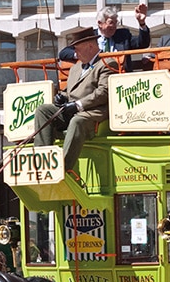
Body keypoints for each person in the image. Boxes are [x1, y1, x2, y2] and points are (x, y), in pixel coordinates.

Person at [35, 27, 119, 174]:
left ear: (90, 46)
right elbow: (70, 91)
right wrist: (62, 97)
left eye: (77, 49)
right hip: (71, 110)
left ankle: (63, 169)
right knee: (43, 111)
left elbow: (103, 92)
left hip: (93, 112)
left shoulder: (107, 64)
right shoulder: (76, 68)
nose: (76, 53)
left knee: (77, 121)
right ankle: (43, 162)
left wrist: (78, 105)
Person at [59, 3, 150, 71]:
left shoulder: (123, 35)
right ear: (100, 23)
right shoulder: (89, 37)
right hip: (95, 77)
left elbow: (142, 43)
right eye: (111, 22)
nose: (114, 26)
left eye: (116, 23)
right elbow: (64, 53)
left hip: (120, 77)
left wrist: (142, 23)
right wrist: (81, 54)